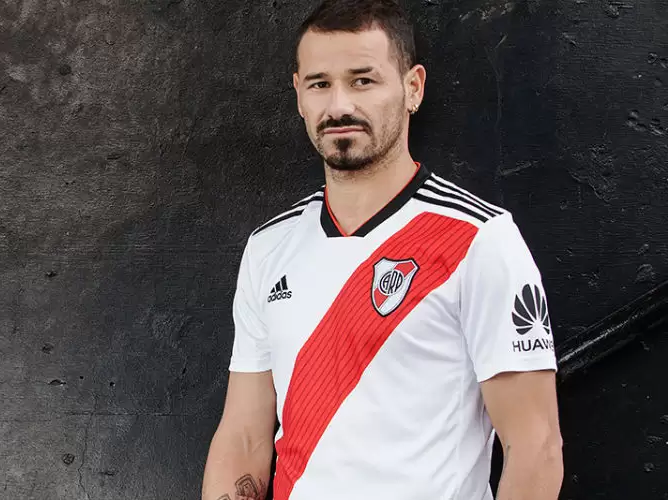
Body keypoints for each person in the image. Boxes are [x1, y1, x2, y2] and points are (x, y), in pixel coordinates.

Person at [201, 0, 563, 498]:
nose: (339, 106)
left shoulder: (480, 240)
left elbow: (536, 447)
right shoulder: (269, 247)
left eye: (362, 81)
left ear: (413, 88)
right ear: (299, 95)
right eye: (320, 84)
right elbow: (244, 437)